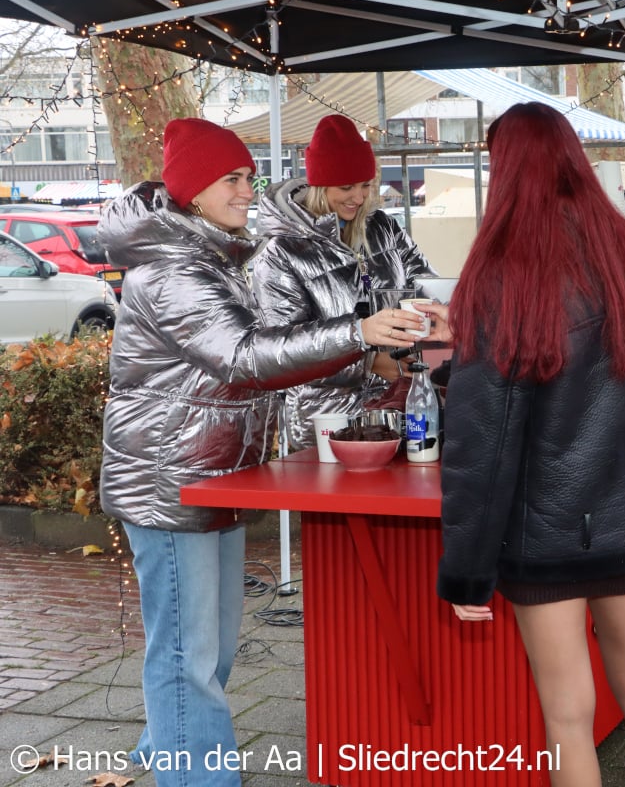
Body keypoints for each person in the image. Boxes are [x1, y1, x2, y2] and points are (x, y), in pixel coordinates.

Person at [97, 117, 422, 787]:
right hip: (171, 481)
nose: (251, 190)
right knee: (189, 653)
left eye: (249, 176)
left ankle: (165, 750)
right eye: (232, 179)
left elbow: (256, 360)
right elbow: (245, 357)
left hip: (213, 472)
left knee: (204, 652)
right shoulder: (174, 271)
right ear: (191, 193)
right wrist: (359, 332)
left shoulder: (216, 256)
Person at [436, 102, 625, 787]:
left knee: (567, 719)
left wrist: (467, 568)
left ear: (505, 167)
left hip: (544, 534)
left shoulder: (502, 274)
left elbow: (482, 446)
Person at [253, 114, 440, 450]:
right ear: (320, 185)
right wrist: (370, 361)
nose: (359, 196)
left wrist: (434, 330)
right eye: (346, 187)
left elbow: (425, 287)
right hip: (324, 422)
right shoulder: (282, 251)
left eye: (366, 184)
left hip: (392, 411)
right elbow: (282, 353)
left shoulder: (382, 226)